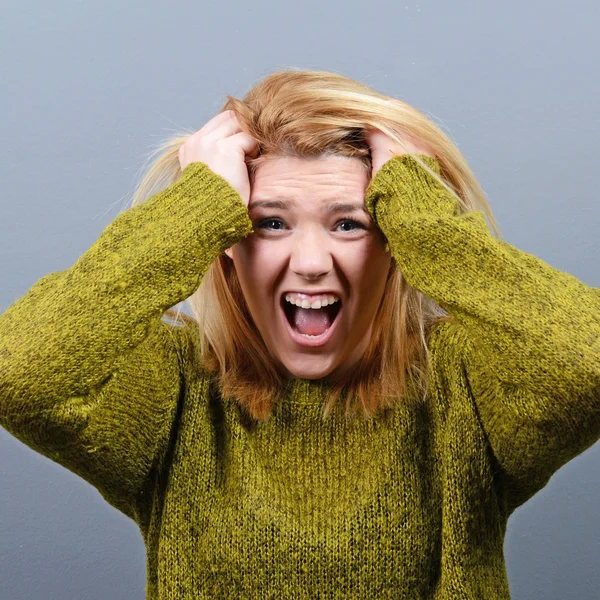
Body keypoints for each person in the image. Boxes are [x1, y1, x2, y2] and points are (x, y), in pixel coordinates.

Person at [1, 68, 598, 599]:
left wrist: (432, 227)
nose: (311, 261)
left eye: (348, 223)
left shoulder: (469, 379)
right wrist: (190, 212)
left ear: (397, 237)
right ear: (226, 242)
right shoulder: (172, 388)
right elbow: (17, 372)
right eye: (270, 223)